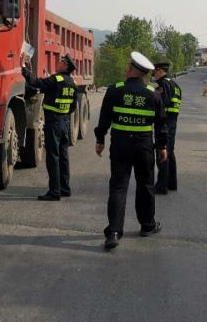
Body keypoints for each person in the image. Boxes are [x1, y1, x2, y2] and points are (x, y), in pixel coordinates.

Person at [95, 51, 168, 251]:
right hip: (144, 146)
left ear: (132, 69)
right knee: (145, 185)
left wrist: (100, 140)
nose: (126, 68)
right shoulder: (153, 93)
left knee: (118, 186)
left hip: (120, 145)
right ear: (144, 74)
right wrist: (162, 147)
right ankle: (147, 225)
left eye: (128, 66)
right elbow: (162, 123)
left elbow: (103, 120)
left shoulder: (114, 90)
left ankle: (114, 232)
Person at [22, 54, 77, 201]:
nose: (58, 63)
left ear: (65, 66)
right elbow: (73, 107)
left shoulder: (56, 80)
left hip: (54, 124)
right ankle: (65, 189)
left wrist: (23, 67)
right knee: (64, 157)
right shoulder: (72, 82)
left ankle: (54, 192)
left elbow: (35, 83)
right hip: (65, 122)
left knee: (53, 158)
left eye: (61, 62)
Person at [152, 59, 181, 194]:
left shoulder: (163, 84)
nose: (154, 75)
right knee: (170, 153)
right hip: (173, 121)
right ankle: (171, 183)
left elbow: (162, 104)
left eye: (155, 72)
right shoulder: (175, 84)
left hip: (165, 122)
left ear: (160, 70)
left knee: (162, 152)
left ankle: (161, 186)